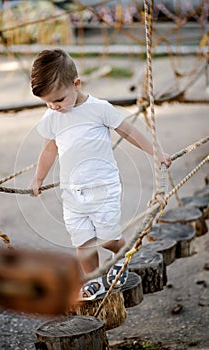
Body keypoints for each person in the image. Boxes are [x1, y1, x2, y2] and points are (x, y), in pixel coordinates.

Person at [30, 49, 171, 300]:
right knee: (82, 242)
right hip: (72, 192)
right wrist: (39, 178)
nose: (53, 106)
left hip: (103, 187)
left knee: (106, 238)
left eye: (59, 100)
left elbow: (129, 132)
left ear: (76, 84)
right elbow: (48, 149)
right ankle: (94, 280)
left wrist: (156, 152)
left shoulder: (99, 109)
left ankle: (122, 252)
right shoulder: (52, 116)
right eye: (48, 102)